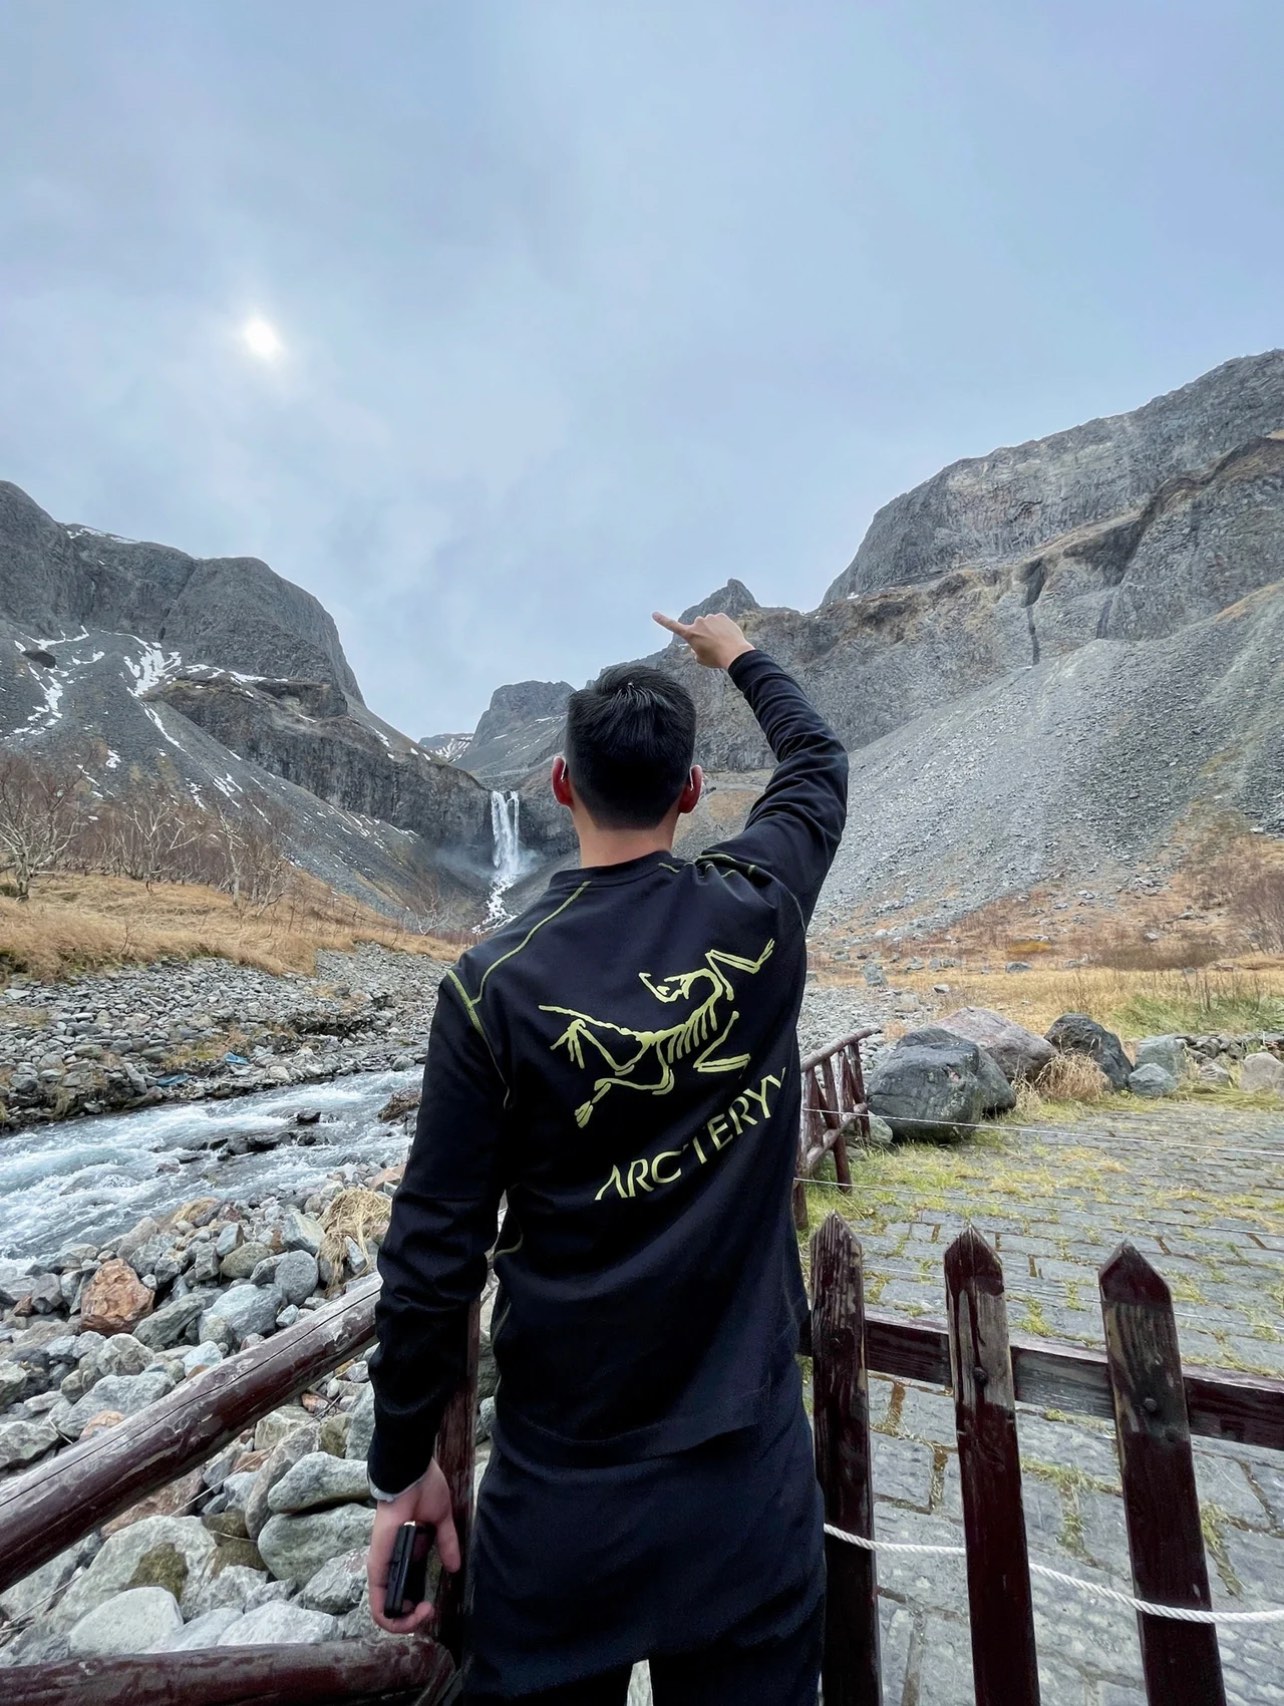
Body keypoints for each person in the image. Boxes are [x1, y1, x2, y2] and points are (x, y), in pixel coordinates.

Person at [365, 610, 848, 1704]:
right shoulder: (761, 908)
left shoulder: (491, 987)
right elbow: (818, 762)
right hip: (748, 1481)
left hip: (563, 1499)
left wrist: (402, 1466)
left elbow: (433, 1253)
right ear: (692, 792)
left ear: (558, 785)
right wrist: (737, 655)